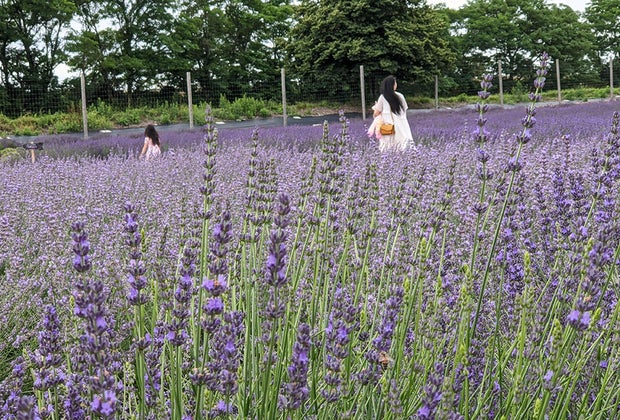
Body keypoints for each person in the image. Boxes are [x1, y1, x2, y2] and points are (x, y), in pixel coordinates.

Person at [371, 75, 413, 152]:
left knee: (387, 148)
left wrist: (376, 106)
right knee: (403, 147)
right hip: (401, 126)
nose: (396, 84)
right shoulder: (400, 96)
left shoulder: (382, 97)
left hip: (388, 127)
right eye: (395, 83)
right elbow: (404, 110)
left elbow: (376, 114)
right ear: (393, 85)